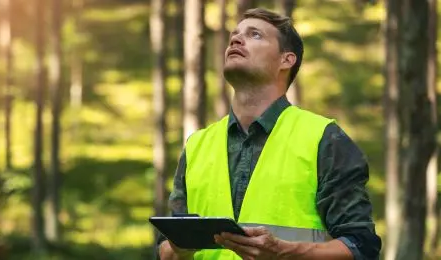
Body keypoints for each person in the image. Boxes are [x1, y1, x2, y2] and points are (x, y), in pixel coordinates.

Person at [156, 7, 381, 260]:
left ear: (286, 60)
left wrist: (285, 252)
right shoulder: (197, 145)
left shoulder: (324, 138)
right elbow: (166, 250)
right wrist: (179, 247)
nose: (236, 39)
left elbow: (361, 247)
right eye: (235, 34)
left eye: (255, 35)